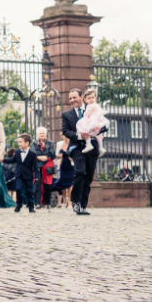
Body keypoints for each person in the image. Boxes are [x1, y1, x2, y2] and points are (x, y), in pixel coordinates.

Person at [62, 87, 98, 215]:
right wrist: (79, 136)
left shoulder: (93, 109)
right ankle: (75, 201)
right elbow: (65, 131)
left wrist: (95, 130)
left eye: (74, 97)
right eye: (70, 98)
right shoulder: (66, 115)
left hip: (92, 146)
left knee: (88, 177)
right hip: (76, 147)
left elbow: (103, 125)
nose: (72, 100)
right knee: (80, 172)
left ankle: (83, 205)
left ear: (81, 97)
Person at [3, 133, 39, 214]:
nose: (19, 144)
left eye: (20, 142)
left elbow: (35, 166)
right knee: (18, 189)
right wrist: (3, 159)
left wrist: (36, 175)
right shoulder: (18, 152)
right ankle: (18, 205)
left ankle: (31, 207)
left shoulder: (32, 154)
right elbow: (12, 160)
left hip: (28, 176)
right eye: (18, 142)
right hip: (19, 175)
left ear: (27, 143)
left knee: (30, 191)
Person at [77, 89, 110, 155]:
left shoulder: (91, 106)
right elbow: (100, 111)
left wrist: (85, 114)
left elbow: (86, 114)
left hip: (92, 122)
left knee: (86, 131)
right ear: (85, 100)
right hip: (96, 121)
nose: (91, 99)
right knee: (98, 134)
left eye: (93, 97)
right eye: (89, 98)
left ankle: (89, 145)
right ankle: (101, 147)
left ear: (95, 98)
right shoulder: (96, 105)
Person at [51, 136, 76, 208]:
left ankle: (70, 202)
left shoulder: (73, 144)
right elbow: (57, 155)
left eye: (67, 137)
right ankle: (65, 200)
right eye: (65, 137)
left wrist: (72, 157)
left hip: (71, 166)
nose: (66, 138)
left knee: (71, 184)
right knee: (63, 184)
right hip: (63, 166)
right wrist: (60, 155)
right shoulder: (61, 144)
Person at [33, 127, 55, 207]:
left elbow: (53, 154)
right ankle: (37, 203)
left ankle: (47, 203)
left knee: (48, 185)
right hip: (37, 166)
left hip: (47, 166)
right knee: (37, 184)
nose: (42, 135)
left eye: (43, 133)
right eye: (40, 133)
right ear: (37, 135)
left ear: (46, 134)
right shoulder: (34, 143)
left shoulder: (50, 143)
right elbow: (33, 153)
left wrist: (46, 157)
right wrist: (39, 157)